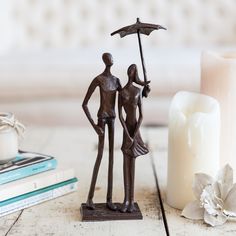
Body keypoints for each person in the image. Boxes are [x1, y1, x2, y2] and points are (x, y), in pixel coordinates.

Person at [82, 53, 121, 210]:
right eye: (109, 57)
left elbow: (127, 95)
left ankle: (109, 199)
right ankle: (90, 198)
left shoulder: (116, 80)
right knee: (99, 156)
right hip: (102, 119)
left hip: (112, 118)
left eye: (112, 57)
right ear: (105, 60)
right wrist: (94, 126)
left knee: (112, 158)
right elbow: (84, 104)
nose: (112, 59)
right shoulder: (98, 79)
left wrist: (144, 90)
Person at [118, 64, 149, 213]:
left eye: (133, 70)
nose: (131, 71)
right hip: (126, 130)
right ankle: (126, 200)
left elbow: (141, 116)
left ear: (135, 73)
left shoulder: (137, 91)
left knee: (133, 162)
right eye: (130, 69)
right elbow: (120, 115)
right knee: (125, 163)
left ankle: (132, 200)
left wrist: (134, 133)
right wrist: (127, 135)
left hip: (134, 129)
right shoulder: (122, 92)